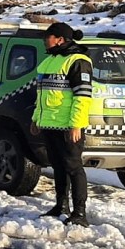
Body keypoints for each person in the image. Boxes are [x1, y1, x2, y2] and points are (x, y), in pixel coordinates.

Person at [30, 22, 93, 226]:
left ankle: (80, 213)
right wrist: (36, 119)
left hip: (68, 126)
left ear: (60, 39)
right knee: (58, 167)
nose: (44, 40)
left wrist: (76, 125)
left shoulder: (78, 61)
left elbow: (82, 97)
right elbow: (42, 95)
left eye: (47, 37)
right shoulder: (50, 61)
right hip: (49, 124)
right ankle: (61, 206)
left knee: (74, 167)